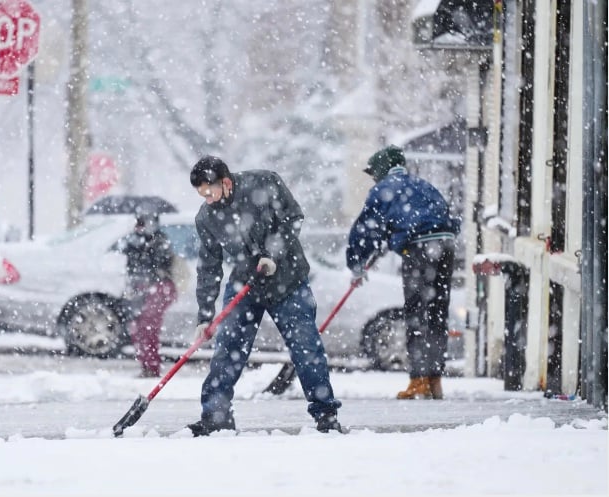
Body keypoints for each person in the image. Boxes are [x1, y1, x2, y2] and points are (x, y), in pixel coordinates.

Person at [186, 155, 343, 436]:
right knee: (228, 348)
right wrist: (205, 316)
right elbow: (209, 268)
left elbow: (293, 217)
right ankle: (215, 416)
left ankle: (325, 414)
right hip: (246, 282)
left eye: (210, 192)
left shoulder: (264, 183)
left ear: (225, 182)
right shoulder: (206, 218)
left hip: (287, 279)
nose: (207, 199)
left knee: (305, 347)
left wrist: (273, 255)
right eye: (201, 195)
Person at [346, 145, 460, 400]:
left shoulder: (383, 190)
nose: (374, 178)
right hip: (445, 246)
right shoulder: (423, 185)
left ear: (382, 170)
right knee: (437, 313)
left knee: (416, 314)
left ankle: (419, 380)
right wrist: (397, 237)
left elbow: (365, 230)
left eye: (374, 173)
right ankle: (434, 378)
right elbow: (442, 217)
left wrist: (357, 263)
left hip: (420, 251)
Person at [121, 212, 177, 378]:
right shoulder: (133, 242)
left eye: (142, 223)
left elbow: (160, 265)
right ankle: (145, 364)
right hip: (140, 288)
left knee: (148, 327)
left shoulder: (159, 241)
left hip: (157, 287)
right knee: (137, 328)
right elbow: (131, 266)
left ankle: (152, 367)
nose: (139, 227)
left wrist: (148, 248)